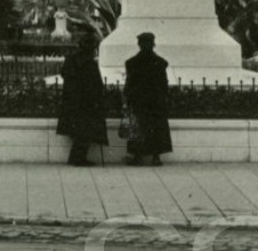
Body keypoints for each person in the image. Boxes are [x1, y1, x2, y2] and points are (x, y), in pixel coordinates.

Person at [56, 30, 109, 166]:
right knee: (84, 132)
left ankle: (77, 158)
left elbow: (65, 75)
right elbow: (97, 85)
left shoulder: (71, 60)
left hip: (72, 102)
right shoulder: (90, 63)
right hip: (86, 103)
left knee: (80, 133)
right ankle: (77, 158)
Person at [122, 32, 173, 166]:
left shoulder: (132, 63)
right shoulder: (160, 63)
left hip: (139, 100)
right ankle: (156, 157)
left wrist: (127, 96)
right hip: (156, 100)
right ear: (153, 45)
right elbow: (164, 83)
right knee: (156, 128)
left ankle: (138, 156)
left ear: (139, 45)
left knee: (138, 128)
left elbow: (129, 83)